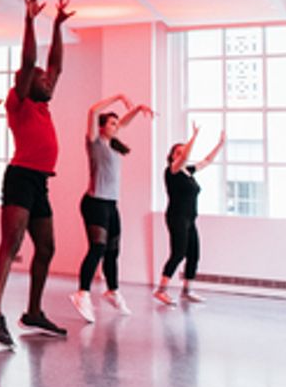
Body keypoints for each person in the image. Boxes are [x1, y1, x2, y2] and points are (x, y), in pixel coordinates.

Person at [0, 0, 73, 349]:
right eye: (42, 79)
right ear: (26, 82)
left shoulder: (44, 105)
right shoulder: (18, 102)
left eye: (48, 80)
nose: (49, 81)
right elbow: (30, 58)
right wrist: (31, 21)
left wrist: (59, 26)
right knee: (13, 241)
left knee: (46, 247)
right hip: (19, 177)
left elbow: (56, 66)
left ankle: (33, 311)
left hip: (40, 183)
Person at [69, 94, 152, 322]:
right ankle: (82, 293)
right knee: (97, 248)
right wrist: (118, 97)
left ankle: (112, 291)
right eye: (112, 123)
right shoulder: (94, 142)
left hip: (111, 205)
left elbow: (123, 122)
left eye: (117, 123)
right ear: (102, 127)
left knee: (113, 251)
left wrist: (138, 109)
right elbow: (93, 111)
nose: (117, 126)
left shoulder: (113, 145)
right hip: (95, 203)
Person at [156, 125, 226, 306]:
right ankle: (161, 290)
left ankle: (187, 291)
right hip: (176, 218)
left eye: (182, 152)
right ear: (172, 156)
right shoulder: (172, 171)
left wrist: (220, 144)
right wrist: (194, 136)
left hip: (190, 219)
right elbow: (185, 157)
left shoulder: (188, 172)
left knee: (194, 254)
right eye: (177, 152)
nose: (181, 155)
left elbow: (207, 161)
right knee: (178, 253)